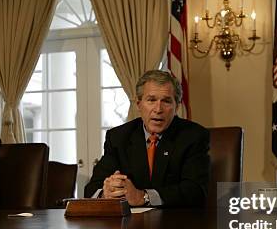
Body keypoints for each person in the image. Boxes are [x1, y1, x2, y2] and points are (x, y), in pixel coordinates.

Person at [84, 70, 210, 207]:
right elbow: (91, 189)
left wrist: (143, 197)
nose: (158, 109)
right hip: (129, 225)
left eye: (166, 101)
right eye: (151, 100)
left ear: (177, 107)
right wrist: (106, 193)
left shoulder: (193, 136)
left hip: (177, 222)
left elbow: (195, 190)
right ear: (139, 105)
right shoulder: (118, 137)